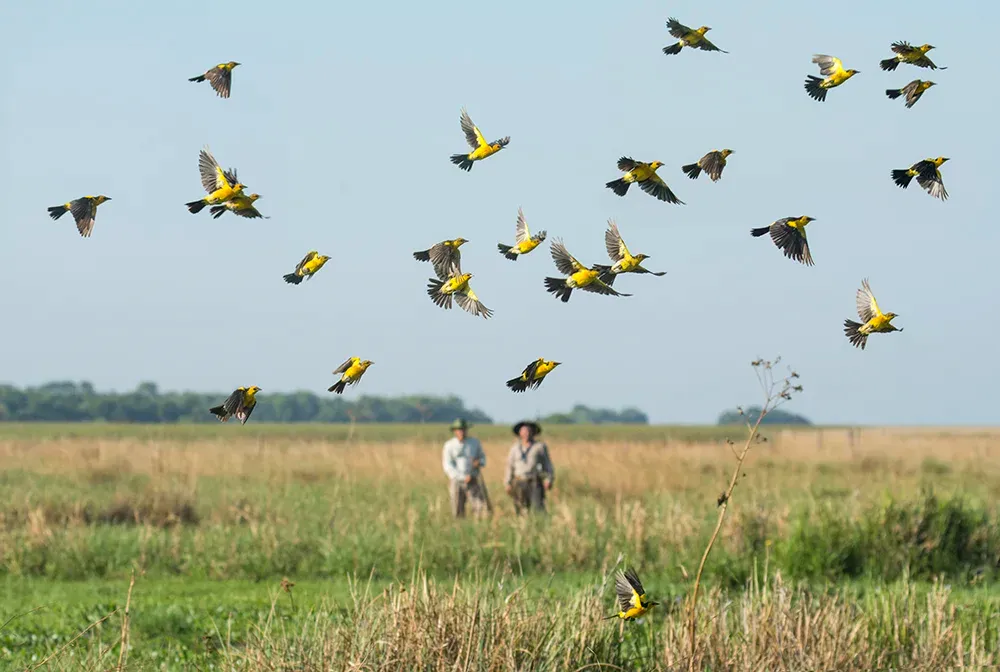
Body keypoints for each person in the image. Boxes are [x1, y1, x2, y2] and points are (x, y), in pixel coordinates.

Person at [441, 418, 491, 518]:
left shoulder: (474, 443)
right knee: (457, 508)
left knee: (480, 506)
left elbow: (483, 458)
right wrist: (462, 477)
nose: (461, 432)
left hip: (473, 479)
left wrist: (479, 462)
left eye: (463, 429)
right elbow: (448, 465)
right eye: (459, 430)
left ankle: (479, 524)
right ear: (454, 431)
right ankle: (459, 528)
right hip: (457, 480)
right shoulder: (449, 445)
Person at [504, 420, 554, 514]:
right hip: (519, 482)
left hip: (535, 482)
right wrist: (507, 483)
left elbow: (548, 464)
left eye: (528, 431)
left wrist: (549, 479)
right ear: (520, 433)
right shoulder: (514, 448)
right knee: (520, 509)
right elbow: (509, 466)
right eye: (524, 431)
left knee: (538, 509)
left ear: (533, 433)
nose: (526, 433)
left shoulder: (539, 447)